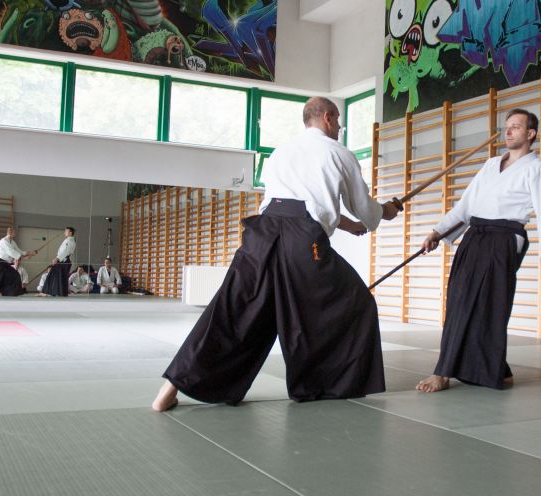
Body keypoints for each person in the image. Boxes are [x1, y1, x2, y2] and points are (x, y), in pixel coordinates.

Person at [153, 96, 401, 411]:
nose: (340, 126)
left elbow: (292, 203)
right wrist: (388, 210)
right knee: (356, 302)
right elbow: (365, 209)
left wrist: (347, 225)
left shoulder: (281, 152)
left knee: (234, 310)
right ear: (327, 117)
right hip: (303, 241)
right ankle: (326, 382)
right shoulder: (339, 153)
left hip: (261, 235)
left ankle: (170, 388)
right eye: (338, 119)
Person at [416, 108, 541, 393]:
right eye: (507, 126)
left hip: (503, 238)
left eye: (516, 126)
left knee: (490, 303)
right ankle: (496, 368)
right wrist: (438, 231)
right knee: (460, 299)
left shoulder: (538, 169)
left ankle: (443, 373)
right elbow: (465, 206)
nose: (508, 131)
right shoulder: (490, 165)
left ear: (530, 134)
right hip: (475, 236)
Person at [0, 227, 30, 296]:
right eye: (14, 232)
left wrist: (28, 253)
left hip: (6, 264)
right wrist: (23, 257)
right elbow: (10, 252)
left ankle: (10, 292)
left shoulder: (12, 242)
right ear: (10, 233)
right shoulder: (3, 241)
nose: (15, 234)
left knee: (14, 275)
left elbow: (18, 251)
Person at [39, 227, 76, 297]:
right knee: (61, 277)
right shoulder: (71, 240)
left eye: (66, 231)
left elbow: (65, 251)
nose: (64, 233)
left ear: (70, 233)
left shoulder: (69, 241)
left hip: (63, 260)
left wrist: (57, 258)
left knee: (54, 275)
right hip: (65, 260)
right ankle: (60, 293)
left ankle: (48, 292)